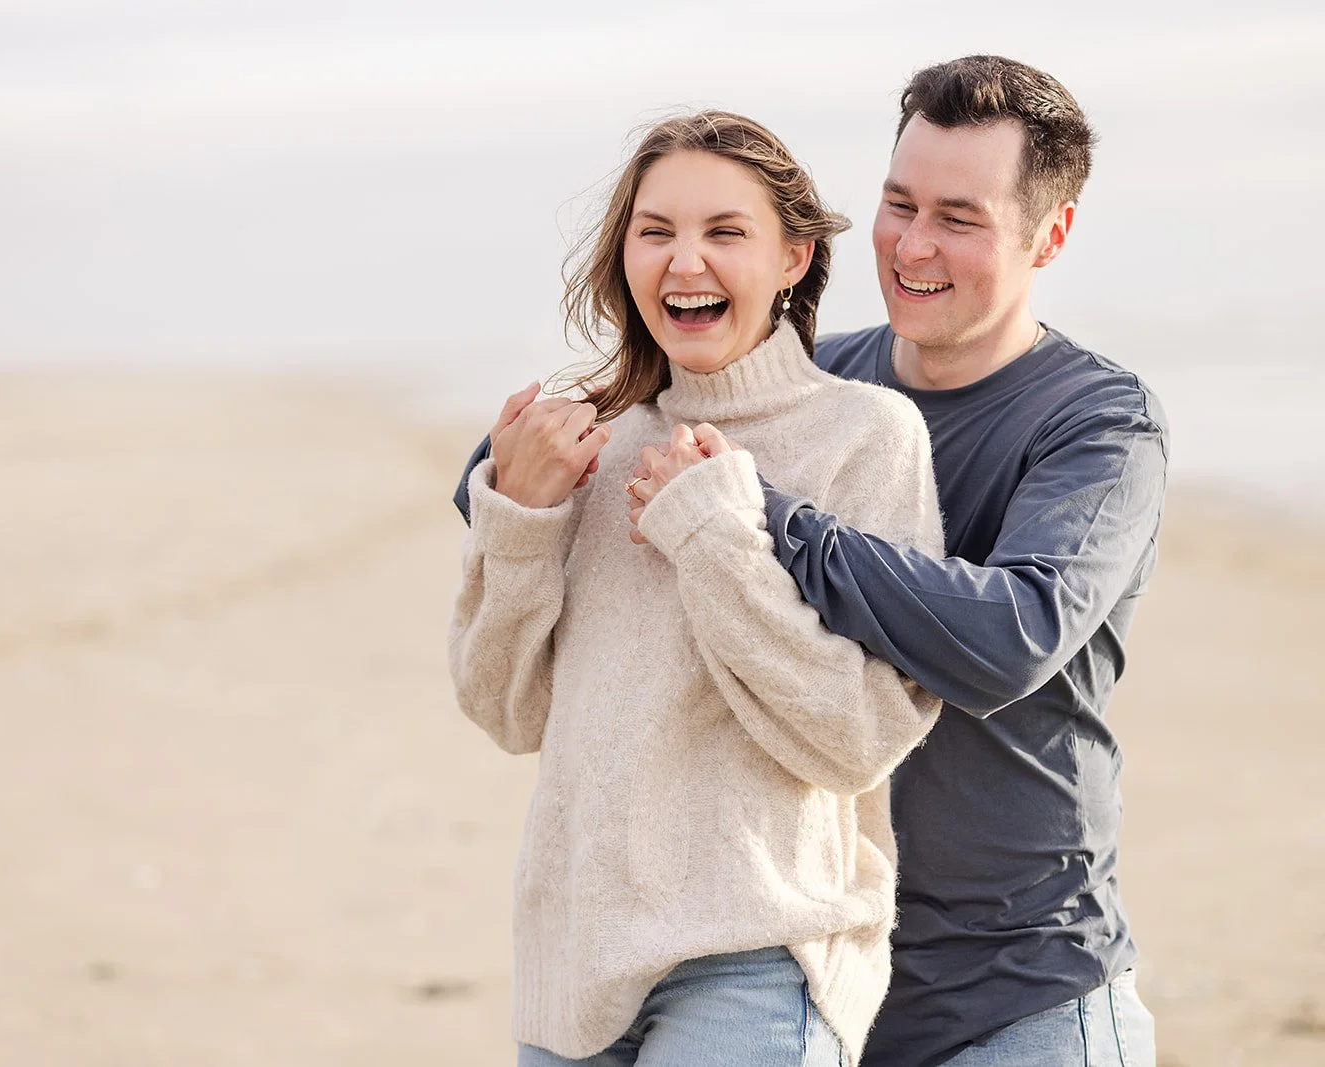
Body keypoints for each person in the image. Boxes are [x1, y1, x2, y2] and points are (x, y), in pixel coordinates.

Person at [460, 55, 1166, 1067]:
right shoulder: (819, 378)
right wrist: (518, 478)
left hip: (1013, 986)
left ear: (1048, 234)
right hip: (818, 962)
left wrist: (755, 512)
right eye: (897, 203)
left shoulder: (1095, 421)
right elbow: (622, 445)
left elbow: (1010, 636)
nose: (914, 244)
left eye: (958, 217)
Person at [447, 111, 946, 1066]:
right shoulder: (588, 441)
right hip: (571, 964)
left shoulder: (867, 436)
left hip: (756, 960)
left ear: (795, 257)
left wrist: (713, 535)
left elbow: (857, 739)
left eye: (726, 232)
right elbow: (505, 709)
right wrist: (521, 518)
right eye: (656, 230)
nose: (686, 262)